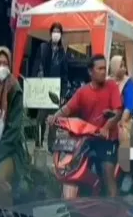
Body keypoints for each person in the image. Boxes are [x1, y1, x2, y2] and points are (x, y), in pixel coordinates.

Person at [47, 54, 123, 197]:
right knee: (70, 166)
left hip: (107, 140)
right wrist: (54, 117)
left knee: (107, 173)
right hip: (86, 140)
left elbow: (117, 112)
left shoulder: (111, 86)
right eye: (100, 68)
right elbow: (67, 108)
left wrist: (106, 127)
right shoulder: (83, 92)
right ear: (90, 72)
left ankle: (114, 212)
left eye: (105, 68)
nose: (103, 71)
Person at [0, 47, 29, 208]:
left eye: (5, 63)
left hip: (10, 150)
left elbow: (14, 131)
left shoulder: (14, 89)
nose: (2, 67)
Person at [34, 22, 69, 147]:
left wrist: (63, 94)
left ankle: (51, 147)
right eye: (54, 31)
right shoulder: (43, 48)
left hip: (55, 92)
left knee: (53, 120)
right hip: (43, 91)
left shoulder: (63, 54)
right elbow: (36, 66)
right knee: (40, 119)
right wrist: (38, 76)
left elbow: (65, 76)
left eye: (58, 32)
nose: (56, 34)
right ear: (50, 33)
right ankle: (38, 144)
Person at [109, 55, 133, 172]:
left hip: (124, 118)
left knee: (123, 133)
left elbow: (129, 106)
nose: (124, 68)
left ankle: (127, 171)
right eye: (121, 66)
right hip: (108, 117)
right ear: (114, 68)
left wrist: (121, 121)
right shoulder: (107, 81)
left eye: (124, 66)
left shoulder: (129, 83)